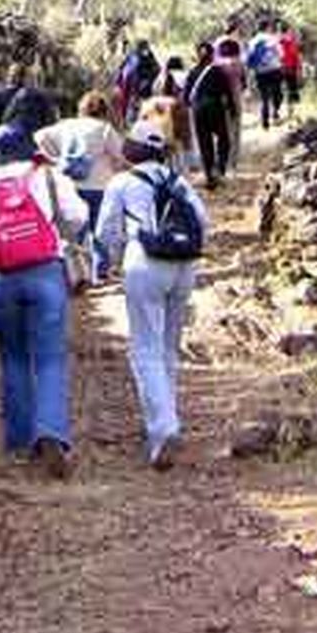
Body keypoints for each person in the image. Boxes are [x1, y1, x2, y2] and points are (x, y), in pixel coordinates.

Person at [0, 123, 88, 477]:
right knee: (49, 358)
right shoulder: (48, 177)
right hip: (44, 273)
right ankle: (50, 432)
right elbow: (79, 217)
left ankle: (19, 439)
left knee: (13, 357)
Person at [96, 121, 210, 469]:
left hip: (144, 263)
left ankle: (163, 429)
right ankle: (165, 420)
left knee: (145, 348)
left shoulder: (122, 183)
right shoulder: (178, 182)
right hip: (184, 265)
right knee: (168, 347)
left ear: (133, 150)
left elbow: (106, 231)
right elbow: (203, 222)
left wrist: (114, 261)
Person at [34, 91, 122, 281]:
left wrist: (54, 159)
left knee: (74, 230)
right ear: (104, 110)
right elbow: (119, 155)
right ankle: (100, 271)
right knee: (99, 229)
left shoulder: (66, 125)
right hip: (99, 186)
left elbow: (39, 137)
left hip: (70, 185)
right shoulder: (105, 129)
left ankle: (77, 272)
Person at [184, 41, 236, 187]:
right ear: (212, 55)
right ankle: (219, 169)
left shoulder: (192, 72)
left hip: (198, 110)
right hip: (215, 108)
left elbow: (186, 96)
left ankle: (209, 176)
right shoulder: (218, 71)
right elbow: (227, 92)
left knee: (204, 142)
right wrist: (232, 110)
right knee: (224, 140)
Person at [0, 63, 58, 146]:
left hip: (6, 140)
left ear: (9, 77)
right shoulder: (40, 95)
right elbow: (51, 119)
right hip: (33, 142)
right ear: (27, 78)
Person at [213, 34, 246, 169]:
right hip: (236, 99)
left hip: (219, 101)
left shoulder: (217, 65)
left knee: (221, 131)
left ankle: (221, 159)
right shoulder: (239, 64)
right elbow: (244, 84)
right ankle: (233, 160)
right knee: (235, 130)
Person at [246, 19, 285, 130]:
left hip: (260, 72)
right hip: (274, 70)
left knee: (264, 97)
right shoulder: (272, 39)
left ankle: (265, 121)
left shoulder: (252, 41)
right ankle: (275, 114)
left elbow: (249, 59)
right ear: (267, 27)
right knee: (277, 94)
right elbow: (281, 54)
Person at [279, 24, 303, 117]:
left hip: (287, 69)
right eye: (290, 31)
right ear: (287, 31)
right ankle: (289, 112)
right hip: (287, 69)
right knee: (289, 90)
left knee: (290, 90)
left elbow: (297, 57)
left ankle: (290, 112)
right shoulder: (285, 42)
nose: (291, 32)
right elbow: (295, 57)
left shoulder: (286, 42)